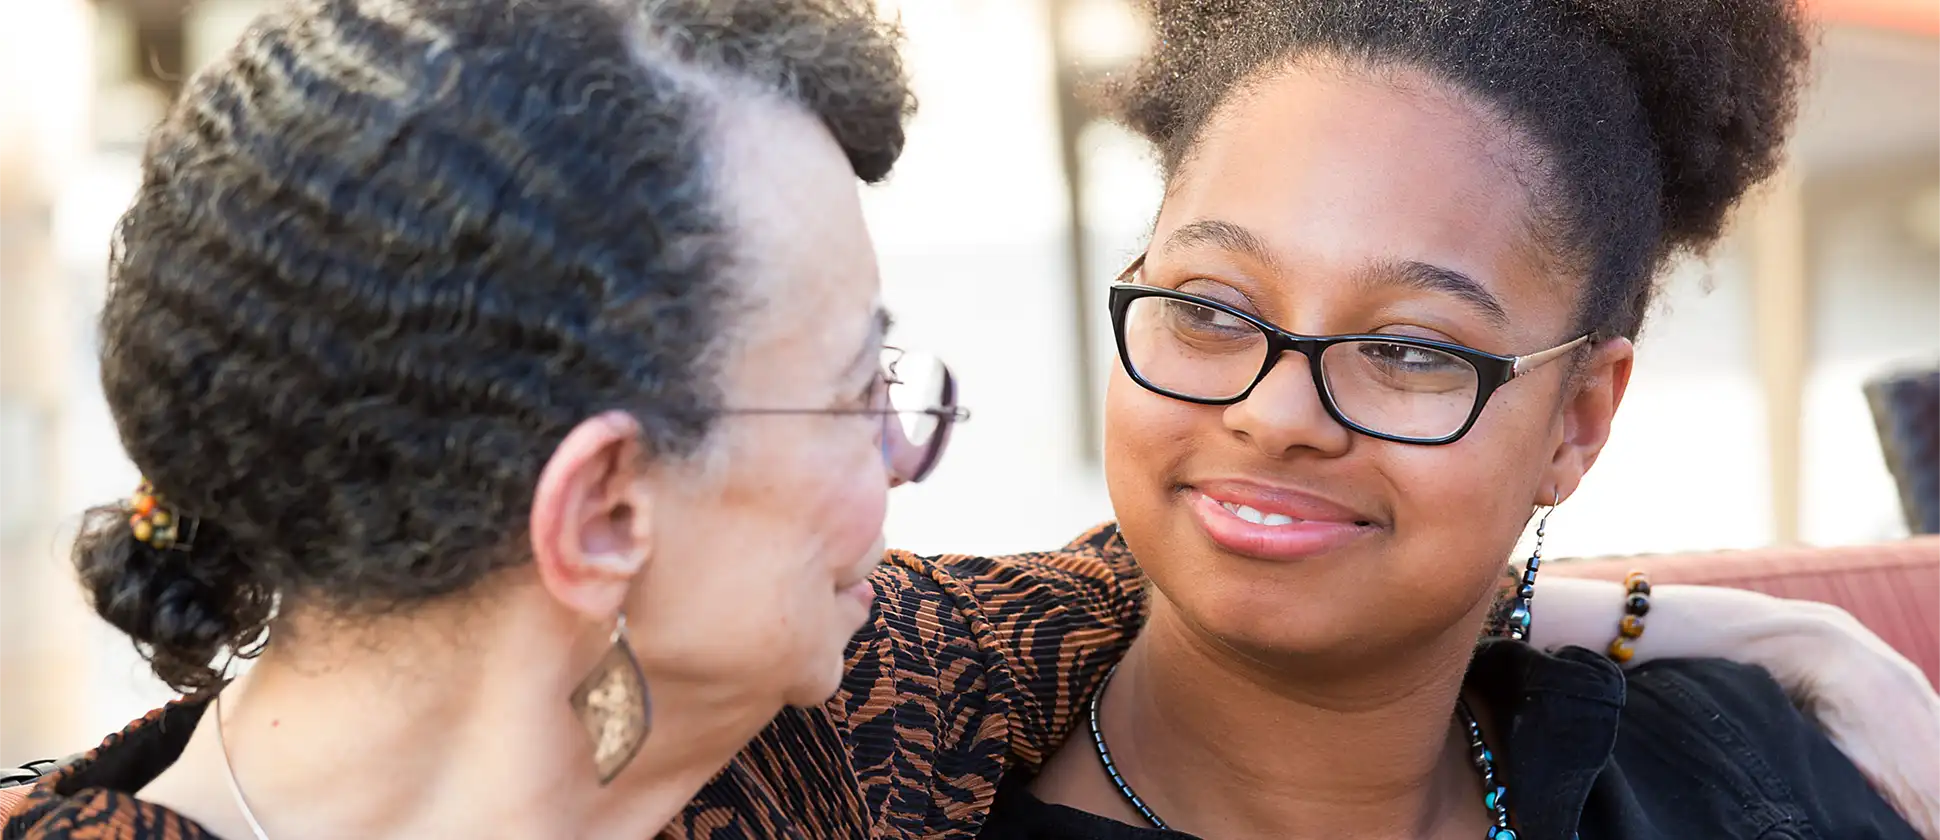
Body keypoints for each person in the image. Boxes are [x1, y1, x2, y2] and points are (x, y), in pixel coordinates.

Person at [4, 0, 1937, 838]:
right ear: (602, 517)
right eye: (868, 400)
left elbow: (1236, 555)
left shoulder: (839, 742)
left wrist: (1763, 629)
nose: (909, 473)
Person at [974, 0, 1930, 837]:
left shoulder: (1745, 777)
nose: (1275, 416)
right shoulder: (888, 782)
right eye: (1213, 309)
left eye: (1408, 351)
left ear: (1578, 422)